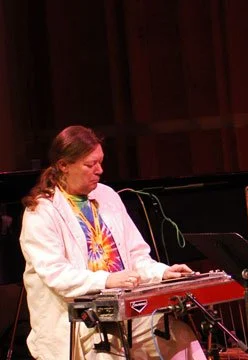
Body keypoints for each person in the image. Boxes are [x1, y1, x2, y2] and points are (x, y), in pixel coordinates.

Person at [19, 126, 206, 359]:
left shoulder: (107, 196)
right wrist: (107, 280)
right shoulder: (41, 211)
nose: (100, 170)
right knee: (106, 349)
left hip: (126, 314)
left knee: (179, 335)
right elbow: (57, 275)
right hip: (81, 324)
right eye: (90, 165)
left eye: (100, 162)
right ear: (63, 166)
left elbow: (136, 256)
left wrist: (163, 272)